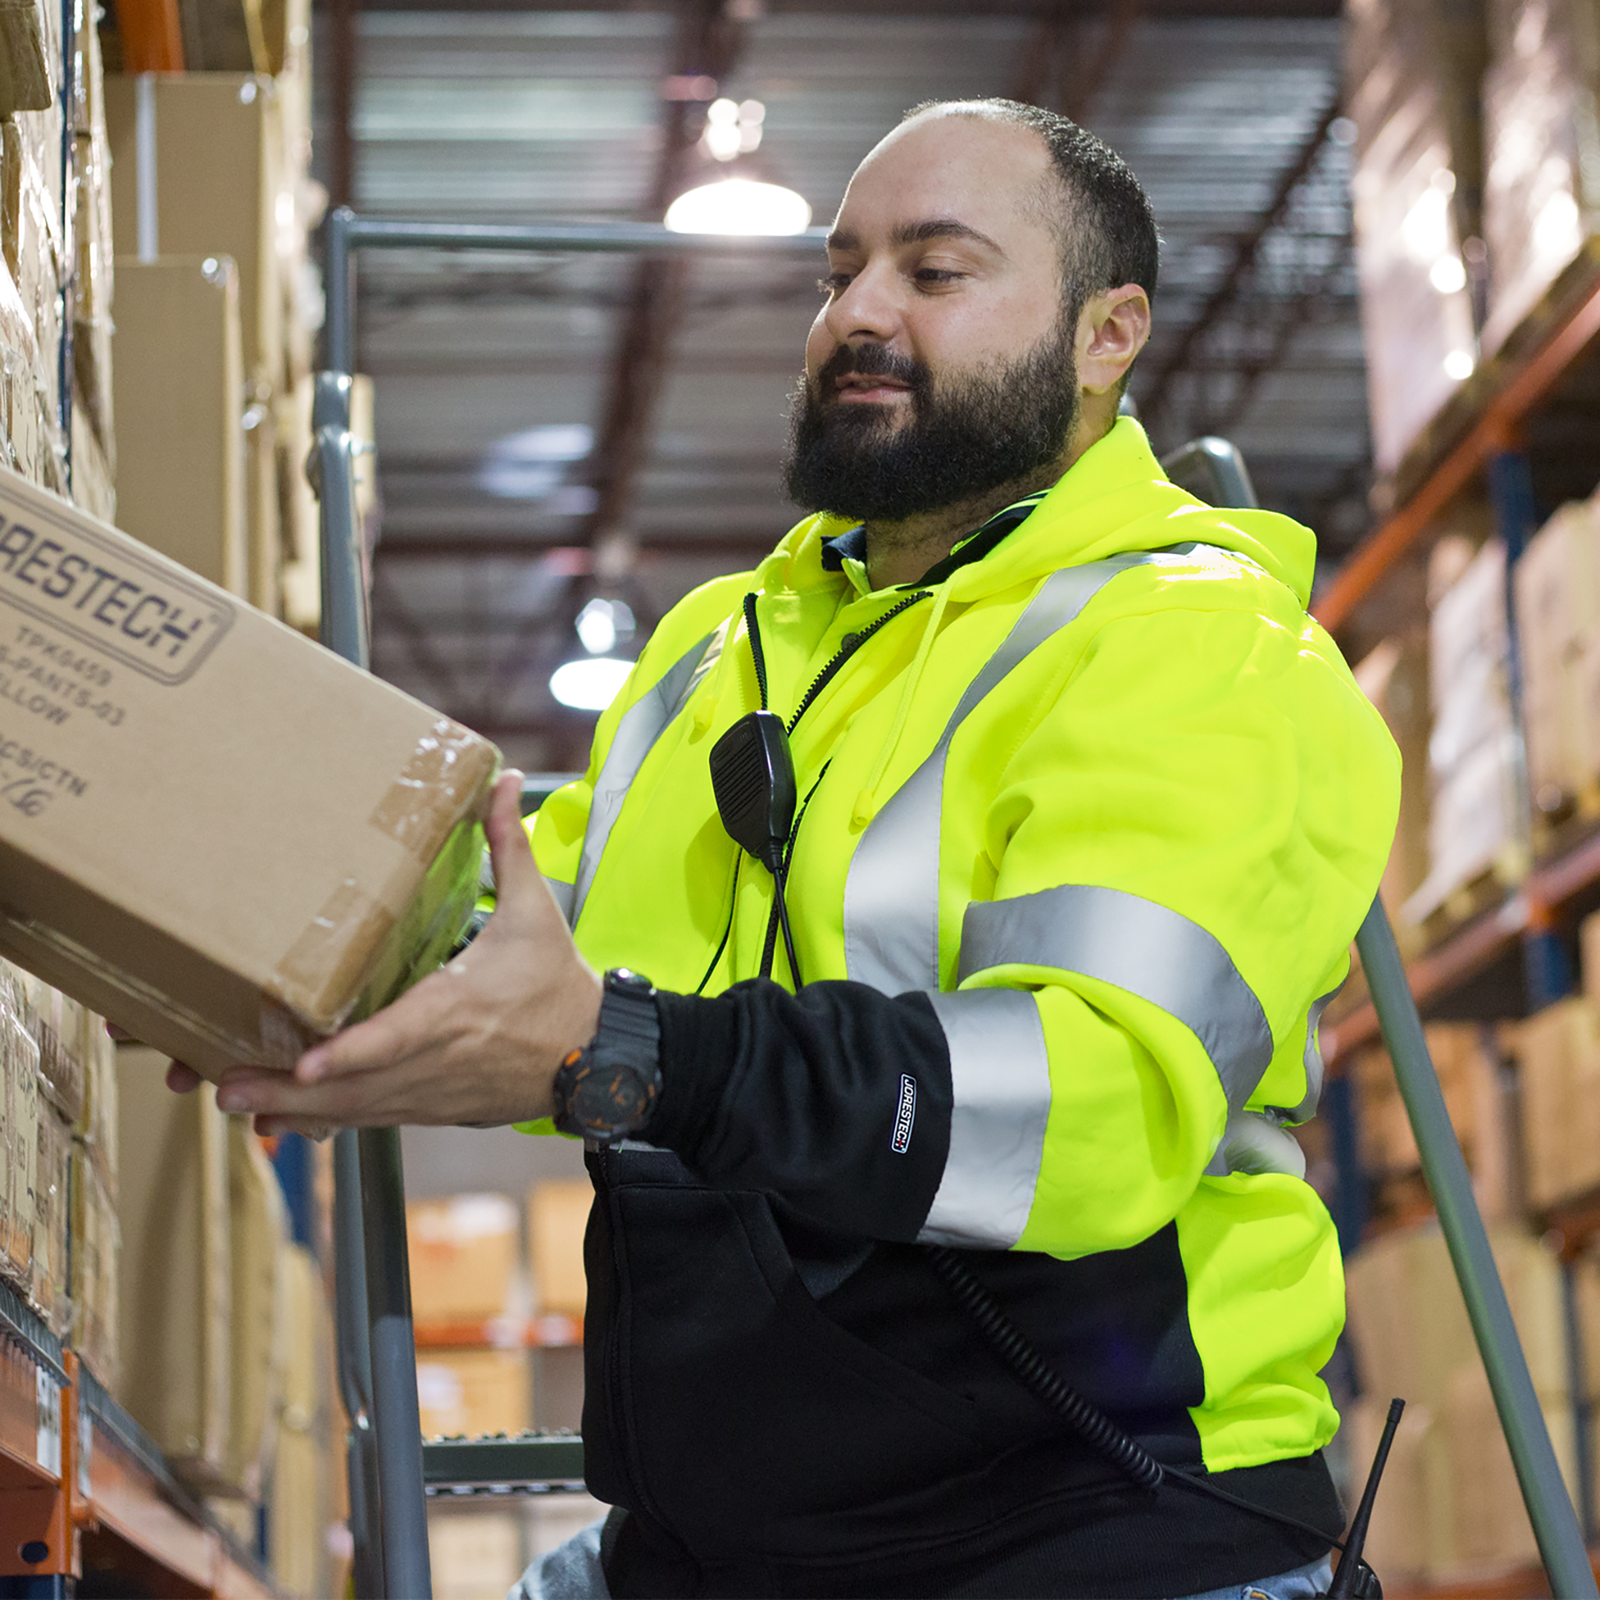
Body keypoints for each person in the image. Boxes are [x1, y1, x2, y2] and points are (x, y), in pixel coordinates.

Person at [206, 99, 1399, 1598]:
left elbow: (1093, 1105)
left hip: (1091, 1516)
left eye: (936, 271)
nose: (860, 314)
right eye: (840, 272)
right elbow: (525, 947)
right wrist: (253, 953)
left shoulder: (1199, 650)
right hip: (737, 1536)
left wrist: (626, 1054)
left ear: (1110, 333)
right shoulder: (724, 649)